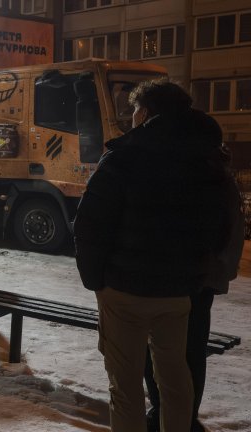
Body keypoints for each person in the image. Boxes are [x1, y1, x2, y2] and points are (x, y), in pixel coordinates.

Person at [74, 80, 235, 431]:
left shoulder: (123, 157)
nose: (131, 117)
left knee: (126, 384)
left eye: (134, 110)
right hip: (178, 292)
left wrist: (95, 280)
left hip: (124, 290)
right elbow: (221, 224)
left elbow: (89, 225)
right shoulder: (205, 160)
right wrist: (195, 273)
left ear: (145, 113)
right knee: (175, 379)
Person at [142, 145, 244, 430]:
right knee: (192, 351)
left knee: (160, 348)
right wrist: (219, 274)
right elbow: (232, 230)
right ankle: (184, 415)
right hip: (203, 280)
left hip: (174, 279)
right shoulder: (219, 175)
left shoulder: (176, 168)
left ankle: (165, 411)